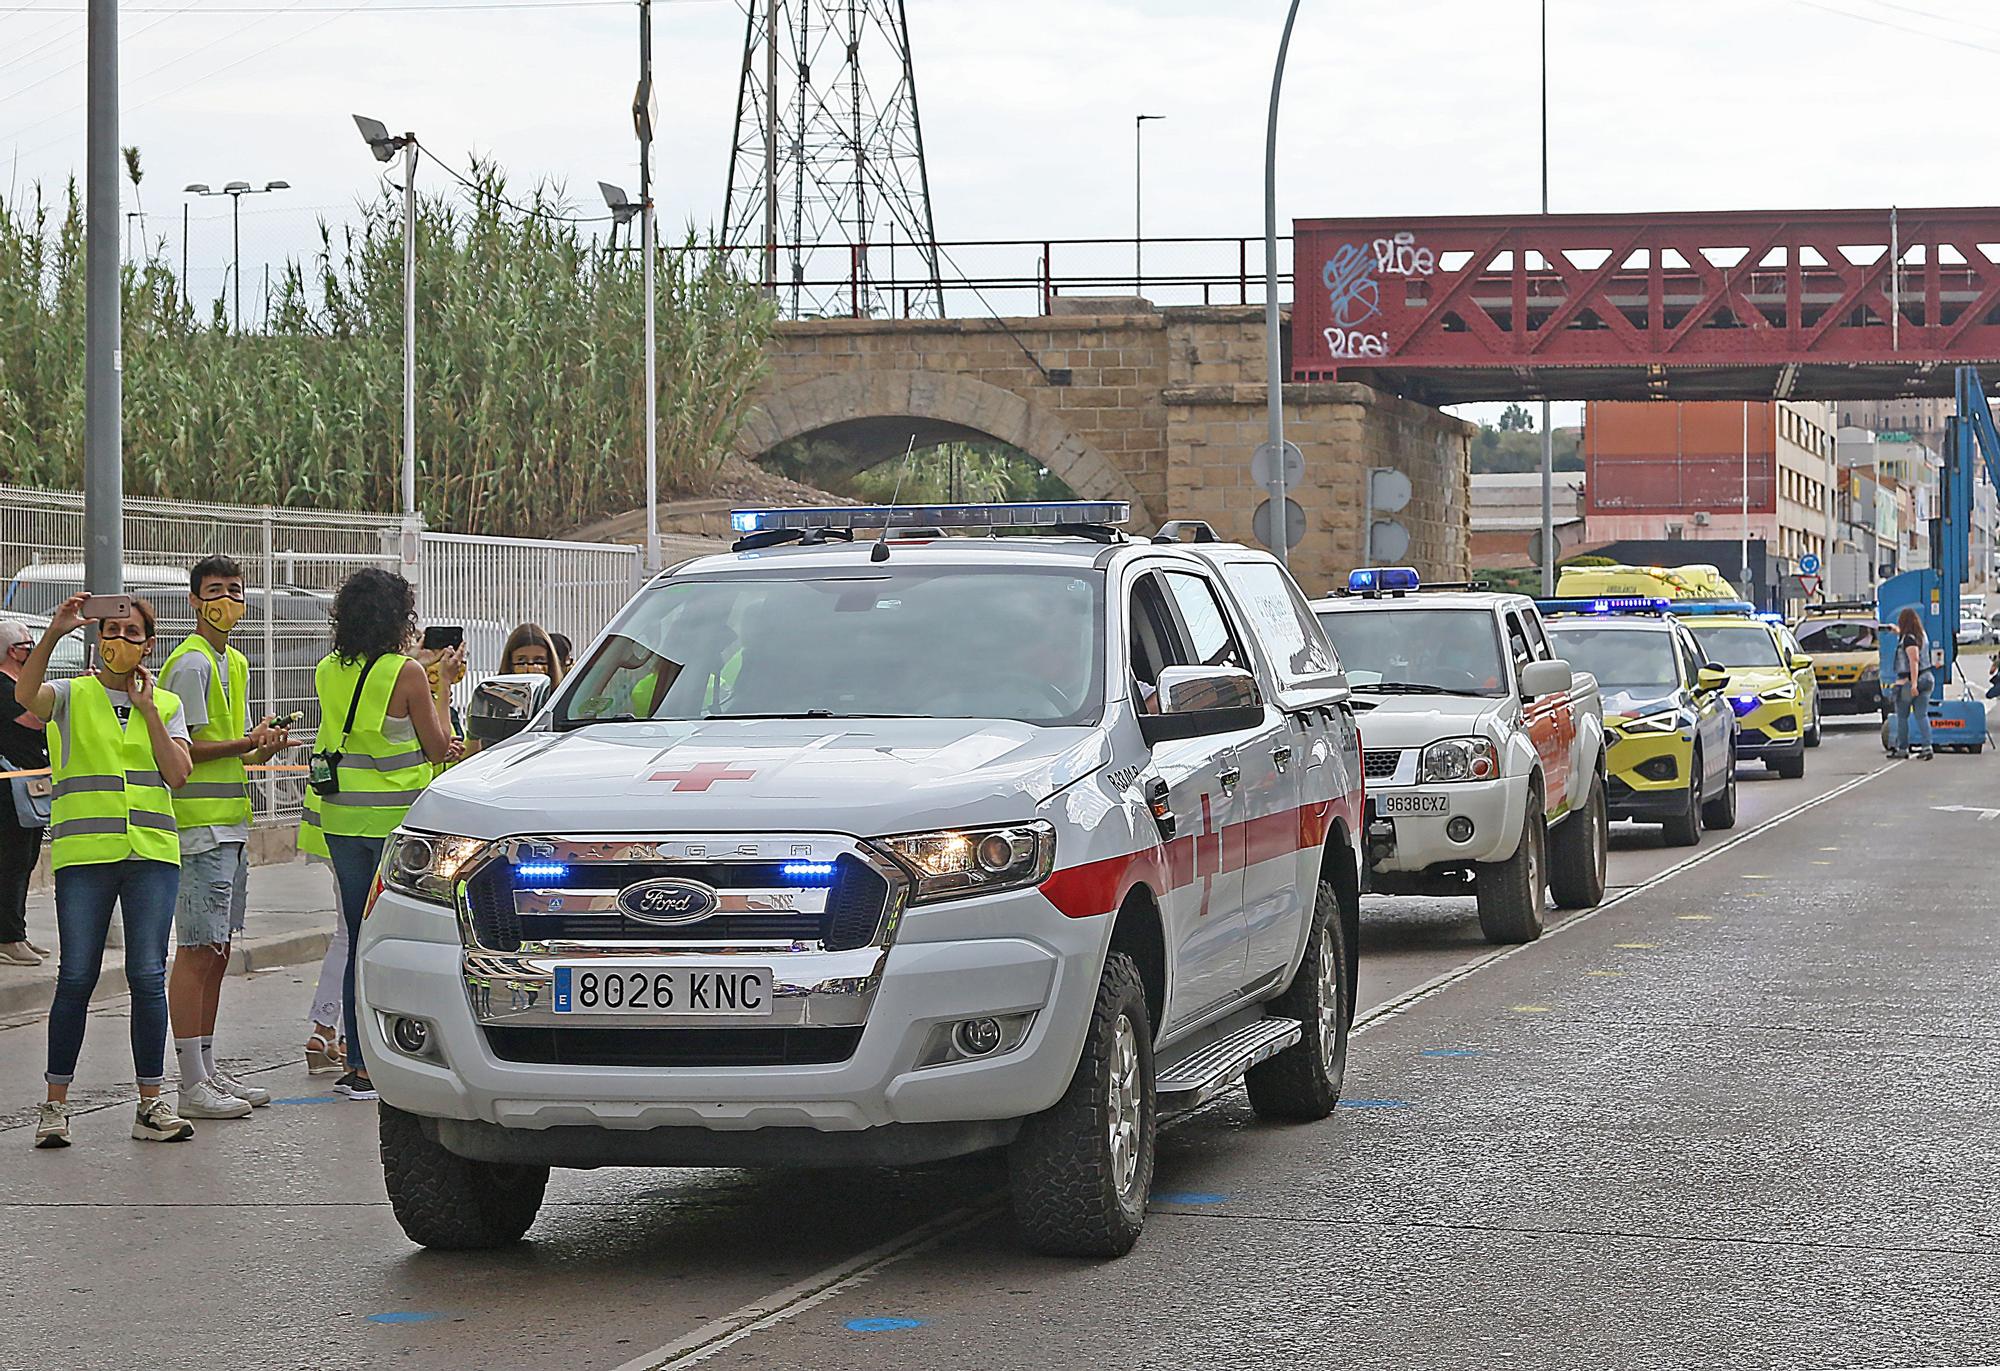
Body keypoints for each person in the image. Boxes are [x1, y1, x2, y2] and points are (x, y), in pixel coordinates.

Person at [15, 594, 196, 1148]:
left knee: (146, 977)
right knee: (75, 977)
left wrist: (146, 712)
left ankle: (150, 1103)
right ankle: (55, 1105)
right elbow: (25, 695)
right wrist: (55, 631)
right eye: (110, 631)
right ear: (98, 641)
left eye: (130, 632)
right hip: (85, 856)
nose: (118, 640)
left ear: (149, 644)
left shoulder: (163, 704)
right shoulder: (73, 695)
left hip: (151, 857)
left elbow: (179, 773)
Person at [298, 569, 458, 1101]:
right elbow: (436, 748)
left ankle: (358, 1064)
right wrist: (444, 689)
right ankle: (398, 1055)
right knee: (396, 939)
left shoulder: (327, 670)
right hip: (396, 828)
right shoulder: (407, 673)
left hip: (341, 821)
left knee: (355, 939)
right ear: (397, 617)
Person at [161, 556, 293, 1121]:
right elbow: (184, 747)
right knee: (196, 951)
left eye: (235, 591)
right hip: (198, 828)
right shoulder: (191, 663)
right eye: (215, 591)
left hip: (230, 825)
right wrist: (246, 745)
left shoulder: (233, 661)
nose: (227, 601)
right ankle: (190, 1081)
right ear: (193, 600)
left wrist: (263, 746)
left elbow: (233, 744)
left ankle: (208, 1068)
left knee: (218, 951)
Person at [1, 620, 52, 966]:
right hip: (10, 787)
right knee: (13, 862)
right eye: (27, 644)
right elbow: (37, 718)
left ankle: (17, 931)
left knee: (27, 859)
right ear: (11, 651)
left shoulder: (24, 685)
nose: (31, 649)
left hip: (30, 784)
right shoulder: (5, 688)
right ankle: (9, 937)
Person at [1888, 606, 1934, 761]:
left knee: (1902, 715)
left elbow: (1913, 660)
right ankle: (1927, 747)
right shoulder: (1922, 636)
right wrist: (1895, 630)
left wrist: (1913, 684)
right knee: (1922, 714)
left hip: (1911, 681)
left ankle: (1902, 748)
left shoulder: (1908, 639)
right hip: (1927, 678)